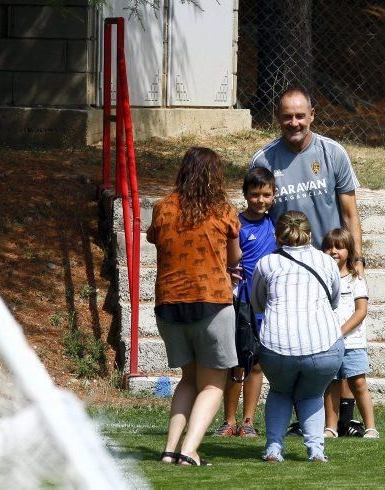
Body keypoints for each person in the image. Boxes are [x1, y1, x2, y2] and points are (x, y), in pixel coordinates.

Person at [146, 147, 242, 466]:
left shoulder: (162, 208)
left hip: (169, 306)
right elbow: (235, 258)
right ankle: (189, 451)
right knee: (214, 384)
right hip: (212, 302)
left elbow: (155, 239)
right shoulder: (224, 210)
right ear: (216, 176)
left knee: (188, 379)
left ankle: (170, 450)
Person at [251, 211, 344, 462]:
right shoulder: (326, 262)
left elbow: (257, 304)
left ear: (277, 236)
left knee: (280, 392)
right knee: (312, 395)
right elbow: (334, 300)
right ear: (310, 235)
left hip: (277, 346)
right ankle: (316, 450)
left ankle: (273, 448)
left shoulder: (266, 263)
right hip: (324, 345)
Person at [249, 86, 366, 277]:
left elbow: (350, 215)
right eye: (287, 116)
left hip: (330, 263)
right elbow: (255, 217)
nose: (294, 123)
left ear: (312, 115)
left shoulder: (334, 153)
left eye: (300, 116)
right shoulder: (262, 160)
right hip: (284, 267)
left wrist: (358, 260)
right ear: (277, 116)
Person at [213, 167, 277, 438]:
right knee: (236, 361)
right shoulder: (236, 224)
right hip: (239, 301)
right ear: (245, 195)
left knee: (257, 363)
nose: (260, 200)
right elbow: (223, 258)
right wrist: (228, 271)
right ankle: (228, 420)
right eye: (255, 195)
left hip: (266, 304)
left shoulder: (276, 225)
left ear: (274, 195)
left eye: (266, 194)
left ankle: (248, 421)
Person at [321, 229, 379, 439]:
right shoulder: (321, 278)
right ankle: (331, 426)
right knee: (332, 383)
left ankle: (371, 426)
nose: (333, 251)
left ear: (349, 250)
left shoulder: (356, 279)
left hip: (352, 341)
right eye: (329, 246)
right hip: (327, 341)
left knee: (358, 383)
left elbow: (361, 311)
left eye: (339, 247)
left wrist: (340, 331)